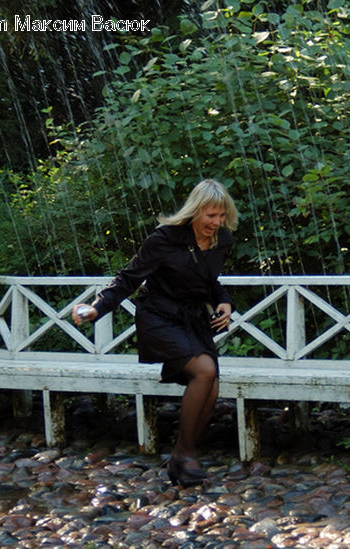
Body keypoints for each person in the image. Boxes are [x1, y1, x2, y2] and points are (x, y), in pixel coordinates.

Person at [71, 179, 238, 488]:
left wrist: (224, 301)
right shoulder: (164, 239)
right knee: (204, 370)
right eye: (210, 216)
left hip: (193, 320)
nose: (216, 223)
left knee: (211, 384)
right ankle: (184, 455)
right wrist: (96, 308)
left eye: (221, 216)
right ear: (195, 211)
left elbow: (209, 280)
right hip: (159, 315)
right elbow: (128, 278)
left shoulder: (222, 240)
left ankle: (181, 458)